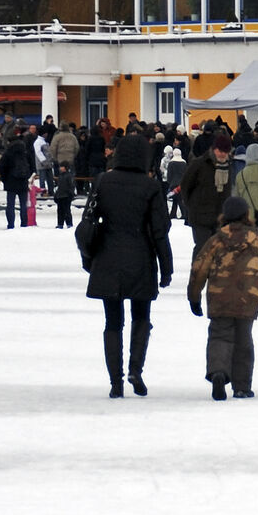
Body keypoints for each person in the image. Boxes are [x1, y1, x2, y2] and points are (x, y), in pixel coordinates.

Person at [80, 133, 174, 398]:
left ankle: (115, 381)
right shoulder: (150, 187)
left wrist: (88, 259)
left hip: (107, 258)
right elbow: (159, 231)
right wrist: (166, 267)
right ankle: (136, 369)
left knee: (112, 322)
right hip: (141, 259)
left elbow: (88, 223)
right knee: (141, 317)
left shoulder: (103, 181)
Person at [188, 194, 258, 400]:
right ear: (247, 215)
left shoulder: (216, 240)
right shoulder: (257, 240)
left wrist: (194, 296)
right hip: (249, 298)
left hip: (220, 297)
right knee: (244, 340)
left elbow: (199, 269)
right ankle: (242, 386)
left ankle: (219, 372)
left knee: (219, 335)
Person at [179, 133, 240, 253]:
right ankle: (197, 271)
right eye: (220, 151)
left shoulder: (228, 166)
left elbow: (228, 191)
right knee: (203, 249)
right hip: (200, 216)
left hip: (219, 217)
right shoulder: (199, 164)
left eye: (225, 151)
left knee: (218, 251)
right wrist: (192, 205)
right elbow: (185, 185)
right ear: (214, 149)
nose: (222, 154)